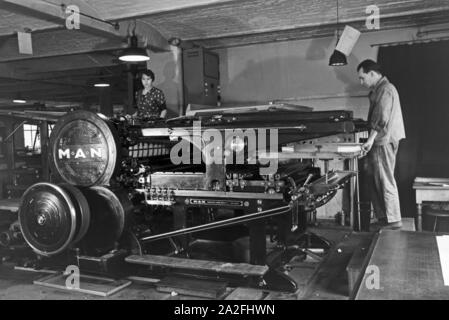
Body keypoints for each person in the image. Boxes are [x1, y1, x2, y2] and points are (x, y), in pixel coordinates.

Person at [357, 59, 405, 230]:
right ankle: (385, 217)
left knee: (385, 180)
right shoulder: (379, 90)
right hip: (381, 140)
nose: (361, 82)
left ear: (372, 74)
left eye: (362, 78)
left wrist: (369, 141)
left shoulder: (386, 89)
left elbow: (381, 118)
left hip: (383, 140)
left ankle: (394, 220)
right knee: (376, 179)